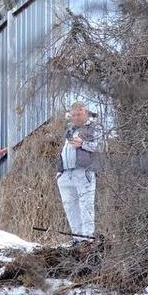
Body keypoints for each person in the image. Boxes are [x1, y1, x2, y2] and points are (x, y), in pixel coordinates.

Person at [57, 102, 101, 239]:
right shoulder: (70, 129)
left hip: (83, 171)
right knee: (70, 207)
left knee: (85, 205)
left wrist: (83, 144)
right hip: (66, 174)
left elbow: (101, 146)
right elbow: (64, 150)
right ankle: (77, 240)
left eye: (79, 114)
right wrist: (59, 172)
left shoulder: (94, 127)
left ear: (86, 112)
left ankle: (87, 239)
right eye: (74, 114)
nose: (76, 117)